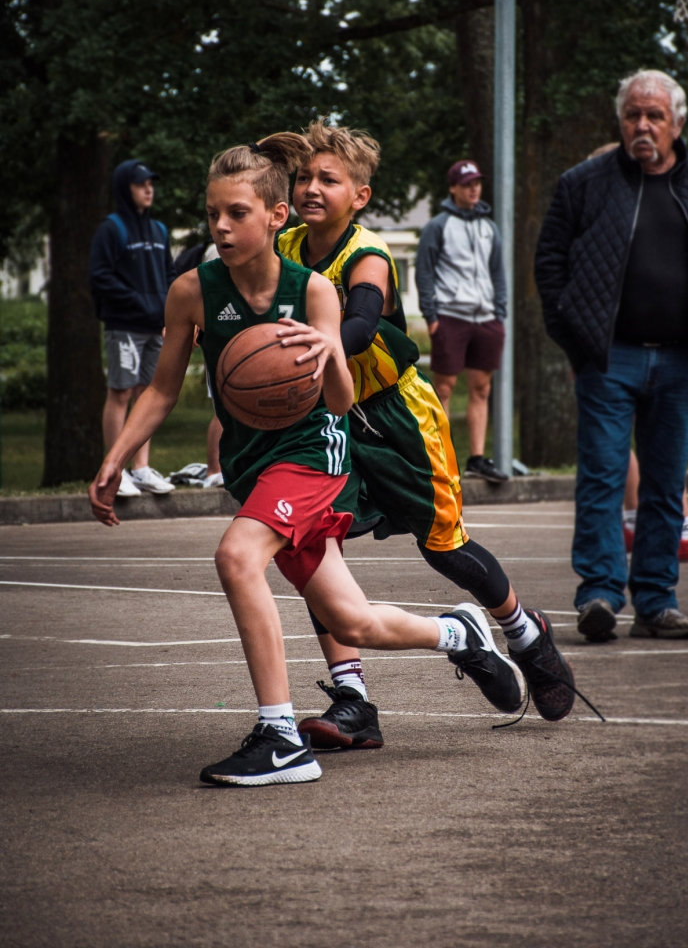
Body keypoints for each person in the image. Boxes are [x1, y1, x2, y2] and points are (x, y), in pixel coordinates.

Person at [89, 135, 527, 788]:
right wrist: (115, 459)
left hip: (314, 456)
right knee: (353, 620)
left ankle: (279, 736)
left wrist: (326, 356)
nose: (221, 227)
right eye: (213, 214)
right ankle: (458, 633)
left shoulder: (315, 291)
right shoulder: (192, 291)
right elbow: (160, 391)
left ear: (275, 216)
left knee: (236, 556)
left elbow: (344, 401)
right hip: (253, 465)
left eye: (237, 213)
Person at [278, 122, 580, 750]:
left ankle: (526, 635)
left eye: (328, 179)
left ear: (359, 195)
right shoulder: (282, 246)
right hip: (329, 419)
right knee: (315, 551)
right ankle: (354, 700)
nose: (311, 187)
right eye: (304, 176)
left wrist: (315, 346)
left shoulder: (367, 254)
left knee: (443, 548)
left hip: (397, 417)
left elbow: (360, 321)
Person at [535, 69, 688, 642]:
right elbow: (550, 264)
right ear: (621, 120)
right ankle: (599, 595)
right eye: (633, 115)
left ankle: (656, 601)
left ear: (678, 122)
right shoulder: (585, 183)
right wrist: (579, 342)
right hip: (609, 359)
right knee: (602, 478)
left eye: (654, 115)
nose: (643, 125)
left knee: (664, 483)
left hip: (682, 362)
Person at [588, 146, 688, 563]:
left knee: (640, 439)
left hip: (639, 348)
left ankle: (670, 524)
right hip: (633, 346)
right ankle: (663, 523)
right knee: (642, 439)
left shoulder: (638, 217)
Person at [415, 160, 508, 483]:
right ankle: (440, 457)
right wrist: (431, 316)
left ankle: (477, 459)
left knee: (481, 388)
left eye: (477, 183)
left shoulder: (489, 227)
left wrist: (500, 312)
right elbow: (424, 272)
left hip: (486, 319)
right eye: (467, 183)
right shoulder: (438, 226)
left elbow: (498, 271)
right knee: (444, 387)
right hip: (450, 317)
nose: (474, 188)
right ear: (453, 188)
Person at [89, 160, 176, 496]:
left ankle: (140, 469)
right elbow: (100, 277)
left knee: (147, 394)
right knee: (121, 392)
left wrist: (168, 311)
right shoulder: (111, 229)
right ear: (126, 188)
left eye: (151, 183)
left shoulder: (159, 231)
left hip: (155, 327)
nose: (149, 189)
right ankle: (115, 470)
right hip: (124, 326)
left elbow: (169, 275)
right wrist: (140, 302)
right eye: (142, 184)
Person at [170, 239, 224, 488]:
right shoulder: (218, 252)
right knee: (223, 410)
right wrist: (194, 324)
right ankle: (214, 470)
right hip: (222, 344)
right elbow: (207, 296)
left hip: (244, 345)